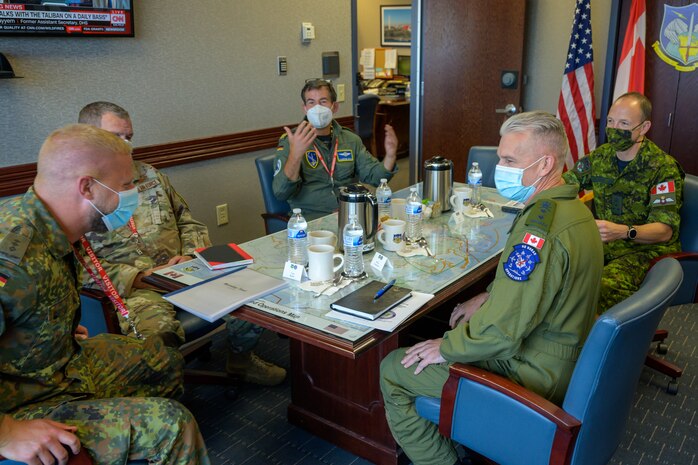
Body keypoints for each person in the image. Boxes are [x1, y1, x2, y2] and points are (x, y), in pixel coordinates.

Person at [380, 111, 604, 465]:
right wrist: (488, 295)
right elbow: (542, 286)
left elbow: (502, 332)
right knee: (454, 320)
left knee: (393, 367)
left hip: (531, 373)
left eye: (509, 160)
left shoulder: (539, 231)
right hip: (561, 353)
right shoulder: (573, 211)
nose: (499, 167)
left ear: (545, 164)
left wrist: (448, 348)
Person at [0, 124, 209, 464]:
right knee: (173, 424)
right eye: (126, 185)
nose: (133, 195)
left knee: (162, 358)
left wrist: (58, 332)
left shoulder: (55, 227)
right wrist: (7, 432)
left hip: (59, 364)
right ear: (87, 187)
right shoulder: (10, 250)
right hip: (21, 399)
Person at [77, 101, 286, 386]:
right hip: (134, 290)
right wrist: (137, 277)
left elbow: (188, 221)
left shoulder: (149, 175)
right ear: (88, 138)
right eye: (116, 137)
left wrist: (190, 254)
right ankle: (162, 397)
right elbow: (79, 264)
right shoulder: (81, 192)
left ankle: (241, 361)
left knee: (252, 290)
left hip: (184, 271)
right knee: (159, 336)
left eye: (129, 137)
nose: (126, 146)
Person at [563, 92, 685, 312]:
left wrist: (623, 231)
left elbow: (664, 231)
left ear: (644, 127)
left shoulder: (662, 167)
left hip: (643, 252)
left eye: (624, 123)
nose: (614, 128)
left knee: (595, 290)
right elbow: (567, 184)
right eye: (610, 121)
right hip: (602, 245)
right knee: (559, 274)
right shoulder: (601, 157)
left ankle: (595, 343)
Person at [272, 79, 399, 219]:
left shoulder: (350, 139)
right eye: (311, 102)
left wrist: (390, 155)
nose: (317, 108)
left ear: (334, 107)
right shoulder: (292, 141)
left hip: (350, 216)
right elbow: (281, 193)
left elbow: (375, 178)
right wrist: (295, 156)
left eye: (323, 101)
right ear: (305, 108)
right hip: (311, 222)